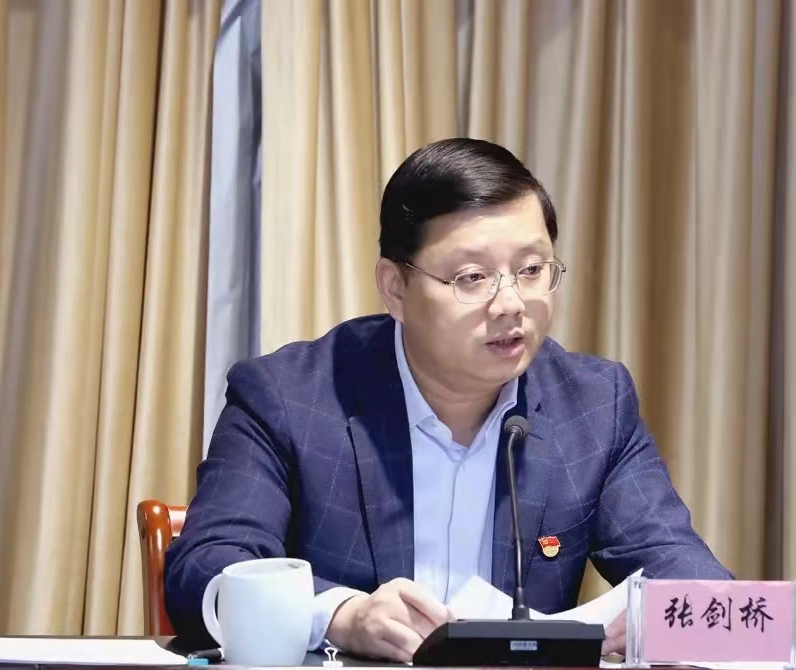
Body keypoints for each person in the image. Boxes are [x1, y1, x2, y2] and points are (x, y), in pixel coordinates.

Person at [164, 138, 731, 661]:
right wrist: (340, 615)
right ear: (395, 288)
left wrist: (667, 618)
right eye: (472, 277)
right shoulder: (291, 396)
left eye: (532, 270)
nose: (511, 303)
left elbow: (692, 576)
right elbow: (206, 570)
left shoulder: (593, 405)